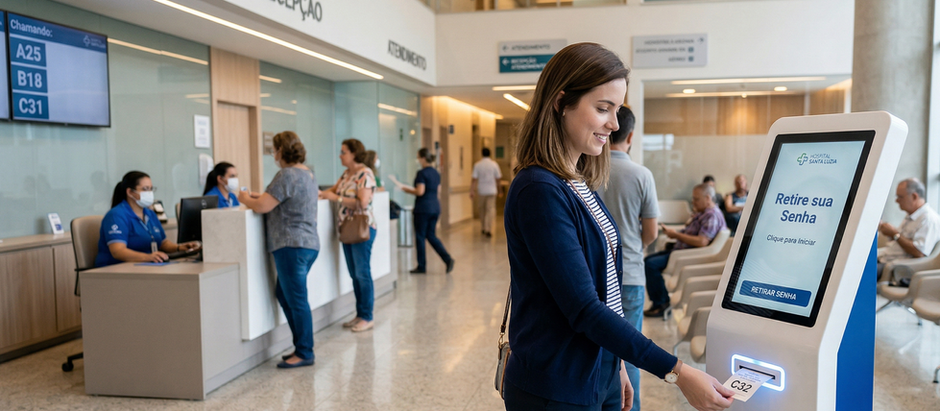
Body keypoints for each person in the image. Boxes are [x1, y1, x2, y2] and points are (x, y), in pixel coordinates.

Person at [503, 42, 733, 411]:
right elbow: (583, 307)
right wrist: (678, 373)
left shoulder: (578, 181)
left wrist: (617, 364)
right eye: (602, 108)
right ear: (562, 103)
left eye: (617, 110)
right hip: (557, 386)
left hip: (601, 370)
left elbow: (605, 284)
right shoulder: (539, 189)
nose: (613, 124)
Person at [238, 131, 319, 369]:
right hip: (307, 244)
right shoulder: (308, 173)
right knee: (285, 295)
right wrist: (259, 196)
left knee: (296, 300)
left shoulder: (286, 174)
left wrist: (245, 198)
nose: (273, 154)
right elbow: (277, 198)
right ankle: (300, 346)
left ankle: (305, 352)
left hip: (291, 245)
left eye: (274, 149)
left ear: (281, 151)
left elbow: (263, 206)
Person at [595, 105, 658, 411]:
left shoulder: (588, 172)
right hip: (631, 274)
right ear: (630, 135)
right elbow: (651, 232)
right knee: (629, 351)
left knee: (598, 351)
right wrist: (632, 247)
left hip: (594, 279)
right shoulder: (642, 175)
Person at [319, 138, 378, 333]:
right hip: (346, 228)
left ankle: (367, 316)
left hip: (362, 227)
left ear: (354, 153)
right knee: (354, 274)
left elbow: (362, 202)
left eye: (344, 152)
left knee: (362, 273)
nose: (340, 155)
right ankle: (360, 314)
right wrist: (320, 194)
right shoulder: (346, 174)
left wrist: (337, 198)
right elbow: (332, 191)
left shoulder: (365, 174)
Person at [643, 184, 727, 318]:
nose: (693, 202)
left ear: (707, 198)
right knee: (648, 260)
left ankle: (661, 303)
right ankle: (660, 301)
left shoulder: (712, 216)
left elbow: (702, 242)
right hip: (680, 250)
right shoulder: (702, 213)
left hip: (687, 255)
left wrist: (676, 235)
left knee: (650, 264)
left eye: (696, 199)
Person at [95, 171, 200, 267]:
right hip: (115, 269)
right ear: (130, 192)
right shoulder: (116, 215)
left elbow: (162, 243)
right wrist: (148, 257)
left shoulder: (150, 213)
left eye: (151, 189)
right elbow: (118, 251)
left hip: (145, 266)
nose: (149, 193)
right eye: (145, 189)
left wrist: (179, 247)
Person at [398, 148, 455, 274]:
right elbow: (438, 191)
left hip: (423, 209)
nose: (418, 160)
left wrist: (406, 189)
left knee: (420, 237)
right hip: (435, 207)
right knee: (431, 235)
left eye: (418, 157)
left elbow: (420, 191)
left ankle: (421, 266)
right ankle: (447, 259)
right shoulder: (436, 173)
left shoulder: (421, 173)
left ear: (423, 158)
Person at [877, 178, 940, 280]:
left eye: (900, 197)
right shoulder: (911, 216)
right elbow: (902, 240)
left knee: (859, 273)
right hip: (885, 257)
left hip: (896, 266)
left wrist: (894, 234)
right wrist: (888, 231)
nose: (896, 200)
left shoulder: (929, 220)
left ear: (914, 196)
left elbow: (919, 252)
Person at [471, 147, 502, 237]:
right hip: (492, 190)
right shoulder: (494, 164)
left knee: (482, 209)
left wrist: (471, 191)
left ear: (482, 154)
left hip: (482, 190)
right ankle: (488, 228)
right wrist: (500, 190)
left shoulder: (477, 165)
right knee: (490, 209)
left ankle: (484, 227)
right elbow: (498, 179)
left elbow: (474, 179)